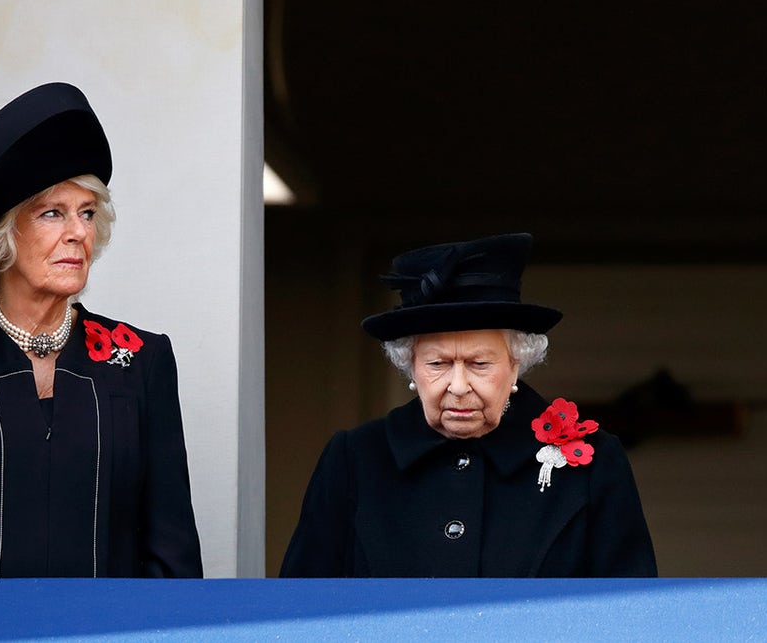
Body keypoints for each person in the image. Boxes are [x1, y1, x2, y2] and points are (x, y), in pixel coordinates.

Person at [0, 83, 203, 578]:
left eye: (87, 213)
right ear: (0, 236)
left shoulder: (140, 360)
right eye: (53, 213)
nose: (79, 232)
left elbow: (172, 552)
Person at [280, 233, 657, 577]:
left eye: (479, 363)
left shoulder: (594, 463)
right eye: (437, 363)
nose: (458, 386)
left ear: (516, 364)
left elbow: (629, 614)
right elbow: (301, 609)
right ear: (409, 365)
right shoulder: (354, 459)